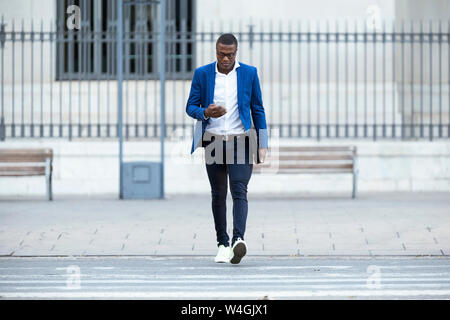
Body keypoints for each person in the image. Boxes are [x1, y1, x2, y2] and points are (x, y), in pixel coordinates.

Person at [185, 33, 268, 264]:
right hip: (213, 141)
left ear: (236, 53)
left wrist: (263, 143)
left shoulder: (249, 73)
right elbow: (190, 106)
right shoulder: (202, 73)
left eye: (230, 54)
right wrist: (205, 113)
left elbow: (258, 108)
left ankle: (237, 240)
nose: (225, 58)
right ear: (216, 51)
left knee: (240, 190)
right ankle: (222, 244)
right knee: (218, 194)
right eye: (221, 54)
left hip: (241, 140)